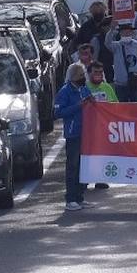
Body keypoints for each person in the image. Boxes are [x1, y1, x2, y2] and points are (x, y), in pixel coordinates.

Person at [54, 64, 92, 211]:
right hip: (73, 134)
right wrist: (78, 106)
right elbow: (58, 113)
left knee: (83, 166)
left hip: (86, 133)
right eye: (81, 75)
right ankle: (70, 198)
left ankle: (80, 196)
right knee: (72, 166)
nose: (84, 78)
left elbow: (90, 100)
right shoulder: (65, 92)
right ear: (75, 76)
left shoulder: (83, 88)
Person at [106, 21, 137, 102]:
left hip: (135, 82)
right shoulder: (116, 46)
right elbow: (107, 43)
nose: (126, 34)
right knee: (122, 109)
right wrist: (111, 30)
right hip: (121, 83)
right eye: (124, 32)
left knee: (136, 108)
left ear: (131, 33)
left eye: (128, 32)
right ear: (120, 33)